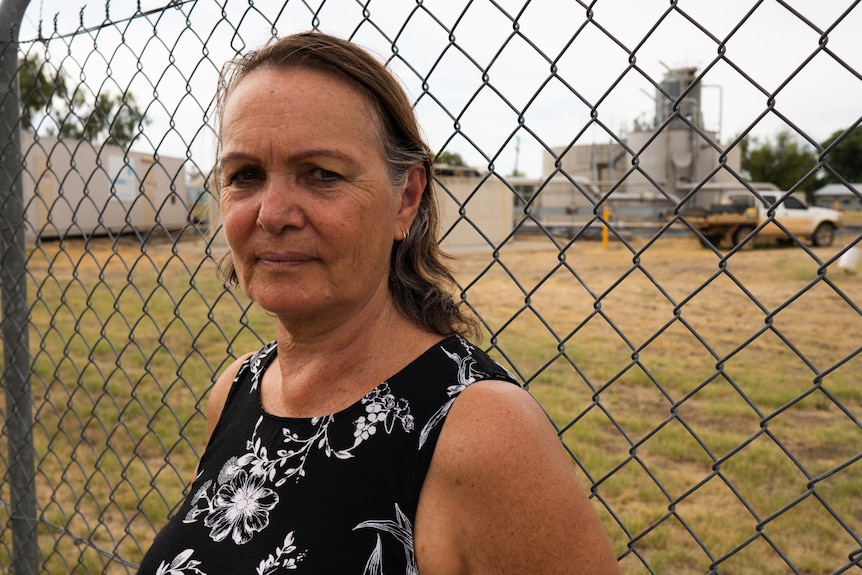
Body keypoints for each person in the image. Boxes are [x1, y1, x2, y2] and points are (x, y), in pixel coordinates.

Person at [137, 31, 620, 574]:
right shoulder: (235, 392)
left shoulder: (480, 434)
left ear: (406, 199)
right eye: (245, 176)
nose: (272, 214)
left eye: (322, 174)